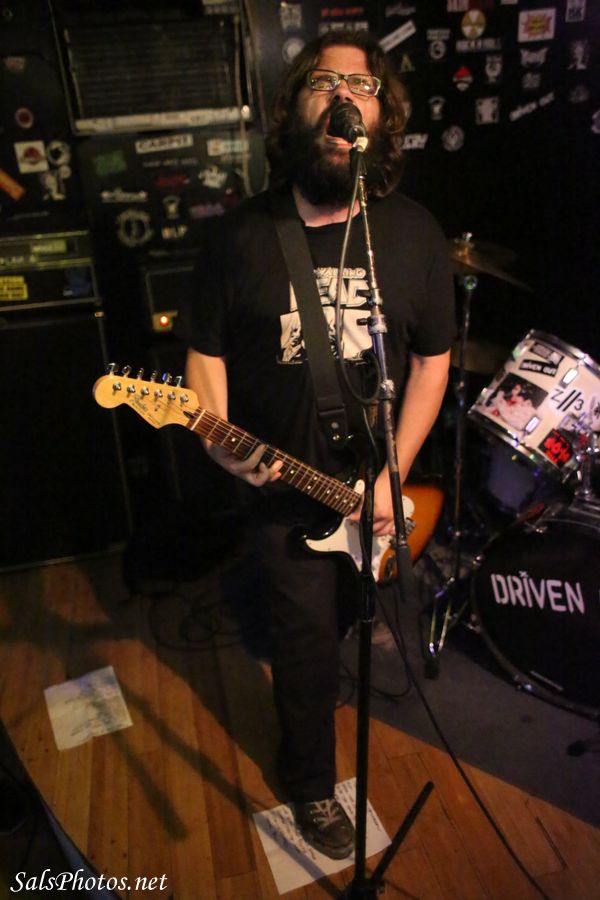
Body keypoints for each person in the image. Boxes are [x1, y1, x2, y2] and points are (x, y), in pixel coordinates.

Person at [179, 30, 455, 859]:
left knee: (342, 627)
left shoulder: (412, 233)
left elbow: (434, 361)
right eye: (323, 82)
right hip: (285, 495)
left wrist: (395, 472)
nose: (342, 96)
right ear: (295, 108)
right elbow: (204, 353)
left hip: (372, 493)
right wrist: (216, 440)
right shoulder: (240, 238)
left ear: (380, 116)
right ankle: (308, 784)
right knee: (302, 652)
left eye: (360, 86)